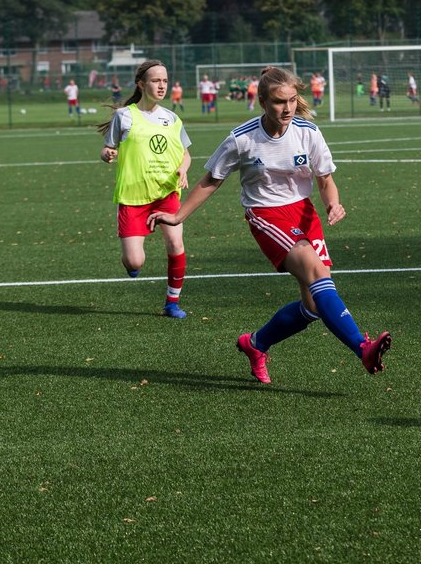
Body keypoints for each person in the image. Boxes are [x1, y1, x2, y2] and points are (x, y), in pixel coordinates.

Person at [149, 66, 392, 384]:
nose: (288, 108)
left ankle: (256, 344)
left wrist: (333, 202)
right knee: (318, 274)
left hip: (305, 215)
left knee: (314, 305)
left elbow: (326, 180)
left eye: (292, 100)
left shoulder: (308, 133)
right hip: (266, 215)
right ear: (262, 101)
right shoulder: (243, 138)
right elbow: (211, 179)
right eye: (279, 102)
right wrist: (178, 216)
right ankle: (363, 347)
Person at [99, 59, 192, 318]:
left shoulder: (172, 118)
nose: (162, 86)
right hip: (133, 197)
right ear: (141, 84)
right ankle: (131, 262)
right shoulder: (124, 116)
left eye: (164, 80)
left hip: (166, 193)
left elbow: (186, 155)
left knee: (176, 243)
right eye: (155, 81)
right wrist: (107, 153)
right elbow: (109, 147)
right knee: (134, 262)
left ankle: (172, 303)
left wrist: (183, 168)